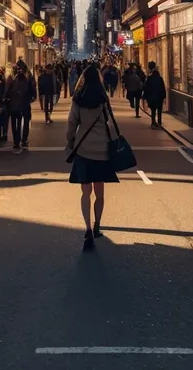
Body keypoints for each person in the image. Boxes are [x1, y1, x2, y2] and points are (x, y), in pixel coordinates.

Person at [66, 64, 118, 252]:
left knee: (85, 192)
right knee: (100, 193)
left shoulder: (78, 99)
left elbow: (72, 123)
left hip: (83, 149)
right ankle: (97, 226)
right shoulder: (103, 98)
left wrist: (70, 142)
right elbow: (110, 121)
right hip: (102, 149)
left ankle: (87, 228)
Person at [5, 64, 37, 153]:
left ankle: (17, 141)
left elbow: (7, 92)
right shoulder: (28, 78)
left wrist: (7, 100)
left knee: (16, 124)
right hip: (25, 105)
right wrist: (31, 98)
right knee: (24, 122)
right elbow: (32, 91)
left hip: (14, 106)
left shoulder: (12, 79)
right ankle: (23, 140)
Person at [144, 61, 166, 128]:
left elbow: (146, 88)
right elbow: (163, 88)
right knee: (159, 110)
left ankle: (153, 122)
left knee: (153, 110)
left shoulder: (149, 78)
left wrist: (145, 97)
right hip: (159, 97)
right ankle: (159, 122)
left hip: (152, 97)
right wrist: (164, 97)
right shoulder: (160, 79)